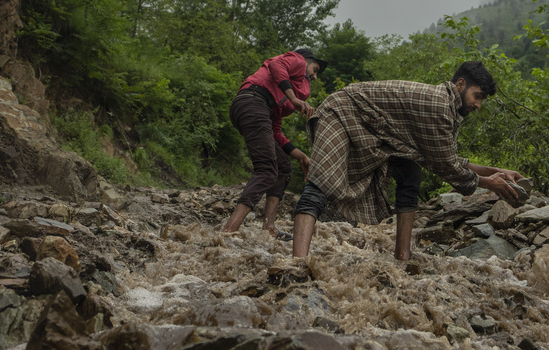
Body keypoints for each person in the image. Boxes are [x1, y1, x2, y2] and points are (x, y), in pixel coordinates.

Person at [291, 61, 523, 260]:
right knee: (320, 184)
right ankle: (297, 263)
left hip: (377, 131)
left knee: (411, 175)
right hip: (340, 112)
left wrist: (497, 171)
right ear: (460, 85)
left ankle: (402, 257)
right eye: (478, 96)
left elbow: (447, 158)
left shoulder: (448, 109)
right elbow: (447, 167)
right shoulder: (439, 105)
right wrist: (489, 183)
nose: (478, 105)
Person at [222, 48, 327, 239]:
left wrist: (301, 155)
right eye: (315, 69)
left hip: (251, 108)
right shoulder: (296, 60)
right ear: (306, 61)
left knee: (283, 168)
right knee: (267, 170)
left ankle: (269, 227)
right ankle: (229, 230)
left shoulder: (280, 99)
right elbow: (275, 64)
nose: (314, 76)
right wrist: (294, 98)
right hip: (252, 102)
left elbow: (275, 131)